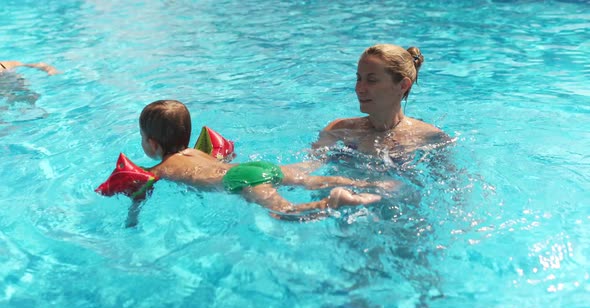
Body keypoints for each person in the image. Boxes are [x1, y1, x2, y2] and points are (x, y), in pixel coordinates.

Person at [135, 100, 397, 221]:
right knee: (310, 179)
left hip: (239, 179)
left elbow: (140, 191)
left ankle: (333, 201)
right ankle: (367, 184)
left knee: (283, 211)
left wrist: (132, 217)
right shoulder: (198, 153)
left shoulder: (161, 168)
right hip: (256, 168)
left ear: (152, 144)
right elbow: (226, 157)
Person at [312, 44, 453, 158]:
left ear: (403, 85)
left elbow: (449, 187)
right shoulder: (339, 130)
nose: (359, 89)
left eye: (372, 80)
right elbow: (308, 166)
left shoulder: (431, 138)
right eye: (359, 79)